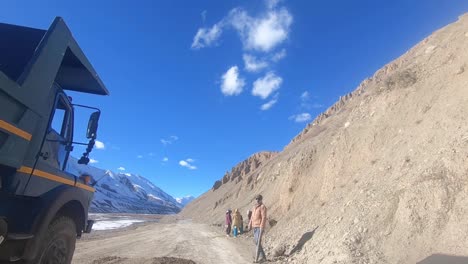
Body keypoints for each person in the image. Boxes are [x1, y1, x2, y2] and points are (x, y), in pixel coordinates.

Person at [248, 194, 267, 263]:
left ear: (261, 199)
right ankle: (263, 257)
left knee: (258, 242)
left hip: (259, 227)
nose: (257, 200)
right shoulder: (254, 207)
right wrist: (250, 224)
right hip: (254, 226)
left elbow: (264, 217)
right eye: (256, 199)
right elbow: (252, 217)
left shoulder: (262, 207)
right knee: (256, 242)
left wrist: (262, 227)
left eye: (259, 199)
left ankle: (258, 258)